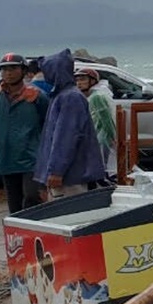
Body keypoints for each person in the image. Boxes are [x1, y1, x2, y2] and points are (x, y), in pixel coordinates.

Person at [32, 49, 105, 199]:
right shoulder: (61, 95)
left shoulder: (70, 97)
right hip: (68, 174)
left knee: (71, 216)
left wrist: (56, 171)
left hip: (71, 176)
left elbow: (66, 137)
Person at [0, 53, 48, 212]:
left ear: (23, 71)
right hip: (6, 159)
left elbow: (47, 125)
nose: (8, 73)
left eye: (13, 68)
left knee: (32, 199)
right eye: (4, 69)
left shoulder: (37, 97)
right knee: (14, 207)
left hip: (31, 159)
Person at [74, 67, 117, 183]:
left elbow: (106, 119)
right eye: (77, 80)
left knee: (104, 170)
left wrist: (112, 137)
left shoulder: (96, 97)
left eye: (83, 79)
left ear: (92, 81)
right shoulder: (91, 96)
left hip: (102, 138)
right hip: (97, 137)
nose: (79, 83)